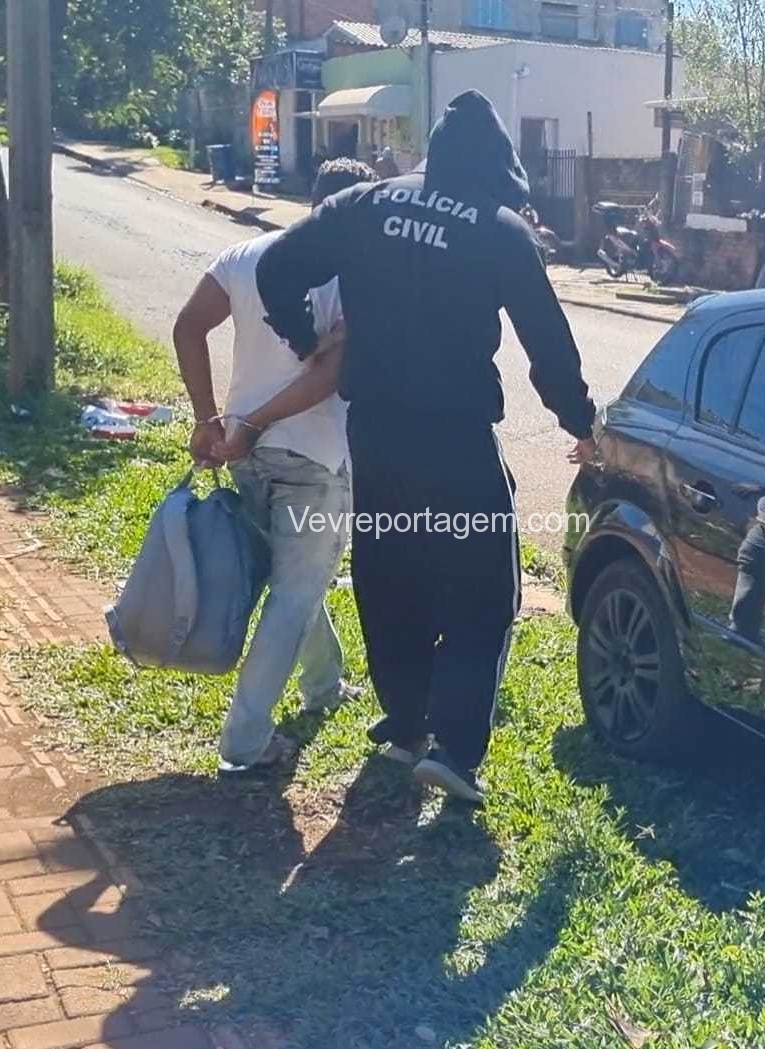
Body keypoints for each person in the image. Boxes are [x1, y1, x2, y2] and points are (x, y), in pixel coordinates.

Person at [256, 91, 596, 803]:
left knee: (390, 576)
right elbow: (547, 339)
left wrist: (305, 338)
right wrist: (579, 420)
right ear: (498, 167)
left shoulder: (364, 203)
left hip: (375, 431)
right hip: (455, 438)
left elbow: (276, 268)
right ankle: (456, 749)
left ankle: (406, 723)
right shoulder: (500, 229)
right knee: (483, 591)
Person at [172, 157, 378, 775]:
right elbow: (329, 376)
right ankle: (244, 741)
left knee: (297, 579)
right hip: (312, 456)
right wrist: (255, 422)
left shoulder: (247, 254)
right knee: (293, 594)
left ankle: (323, 685)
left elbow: (188, 327)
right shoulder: (357, 275)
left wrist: (210, 418)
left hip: (246, 453)